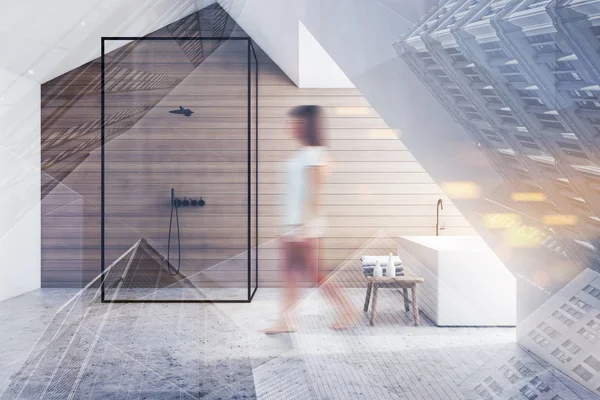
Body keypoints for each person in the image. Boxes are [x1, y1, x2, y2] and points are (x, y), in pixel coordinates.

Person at [264, 105, 359, 334]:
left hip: (304, 227)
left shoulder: (315, 155)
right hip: (292, 225)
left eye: (296, 122)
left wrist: (304, 227)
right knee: (288, 273)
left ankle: (348, 310)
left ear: (307, 124)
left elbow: (315, 194)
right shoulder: (304, 154)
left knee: (314, 274)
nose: (291, 126)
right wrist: (287, 226)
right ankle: (287, 320)